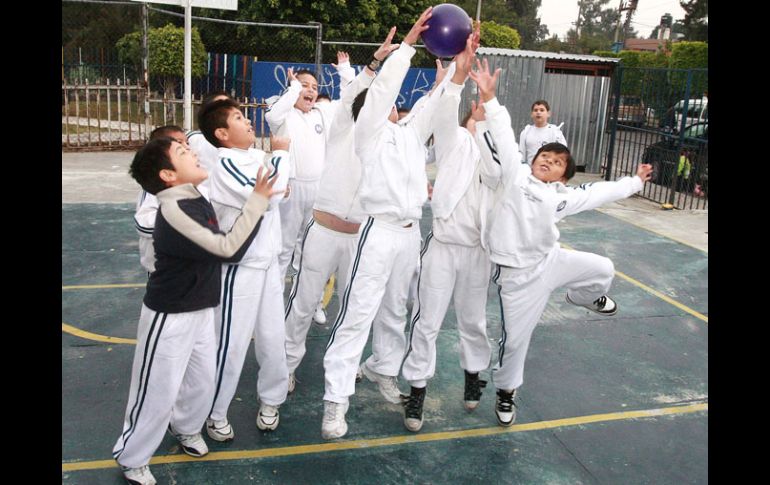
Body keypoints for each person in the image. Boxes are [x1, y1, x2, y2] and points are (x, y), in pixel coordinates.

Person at [469, 58, 652, 427]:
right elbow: (503, 140)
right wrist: (490, 99)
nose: (547, 162)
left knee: (604, 268)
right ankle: (506, 392)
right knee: (515, 342)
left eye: (555, 162)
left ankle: (582, 298)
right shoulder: (513, 177)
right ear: (532, 160)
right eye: (543, 157)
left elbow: (599, 192)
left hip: (550, 261)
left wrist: (634, 181)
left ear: (563, 176)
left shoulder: (559, 197)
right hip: (517, 277)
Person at [320, 7, 458, 440]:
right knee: (357, 315)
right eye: (385, 102)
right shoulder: (368, 132)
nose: (394, 105)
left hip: (408, 235)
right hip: (377, 232)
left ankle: (382, 368)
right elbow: (380, 96)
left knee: (395, 312)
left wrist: (456, 71)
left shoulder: (410, 134)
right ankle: (335, 402)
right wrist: (408, 45)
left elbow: (432, 106)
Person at [112, 137, 278, 485]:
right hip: (169, 316)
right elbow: (226, 248)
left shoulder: (193, 196)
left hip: (201, 307)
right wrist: (257, 203)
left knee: (202, 380)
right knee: (156, 389)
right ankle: (132, 457)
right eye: (183, 153)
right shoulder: (173, 210)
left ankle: (186, 427)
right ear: (168, 174)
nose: (194, 153)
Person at [401, 31, 503, 433]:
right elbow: (446, 113)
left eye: (486, 106)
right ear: (468, 117)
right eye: (475, 107)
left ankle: (473, 374)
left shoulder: (500, 154)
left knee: (474, 321)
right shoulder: (454, 142)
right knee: (426, 320)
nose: (481, 109)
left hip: (478, 252)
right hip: (443, 247)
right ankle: (417, 388)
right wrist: (458, 76)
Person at [283, 38, 398, 395]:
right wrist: (372, 65)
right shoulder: (341, 128)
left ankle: (345, 370)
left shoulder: (386, 143)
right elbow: (351, 96)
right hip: (324, 233)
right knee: (302, 306)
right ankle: (284, 368)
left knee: (354, 312)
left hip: (360, 241)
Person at [199, 98, 292, 441]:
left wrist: (277, 172)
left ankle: (271, 399)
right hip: (241, 268)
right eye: (239, 118)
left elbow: (277, 188)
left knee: (272, 337)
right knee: (231, 343)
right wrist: (281, 155)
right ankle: (215, 411)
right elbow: (271, 195)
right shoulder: (225, 163)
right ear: (222, 133)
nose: (249, 121)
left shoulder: (254, 157)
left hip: (266, 263)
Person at [264, 65, 338, 290]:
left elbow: (347, 102)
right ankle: (274, 298)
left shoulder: (320, 115)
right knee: (285, 246)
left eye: (315, 87)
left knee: (310, 247)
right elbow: (273, 114)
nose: (311, 90)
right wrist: (295, 87)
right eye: (305, 85)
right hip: (292, 188)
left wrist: (345, 72)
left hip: (317, 190)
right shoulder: (282, 116)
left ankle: (306, 298)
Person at [133, 125, 189, 274]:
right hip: (161, 270)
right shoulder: (154, 188)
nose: (186, 147)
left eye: (186, 143)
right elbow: (144, 224)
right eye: (179, 143)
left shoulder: (191, 183)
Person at [518, 99, 567, 165]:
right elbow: (521, 155)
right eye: (535, 110)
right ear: (532, 114)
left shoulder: (555, 132)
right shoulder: (526, 132)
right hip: (530, 172)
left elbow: (563, 154)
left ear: (548, 114)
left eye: (542, 110)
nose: (538, 112)